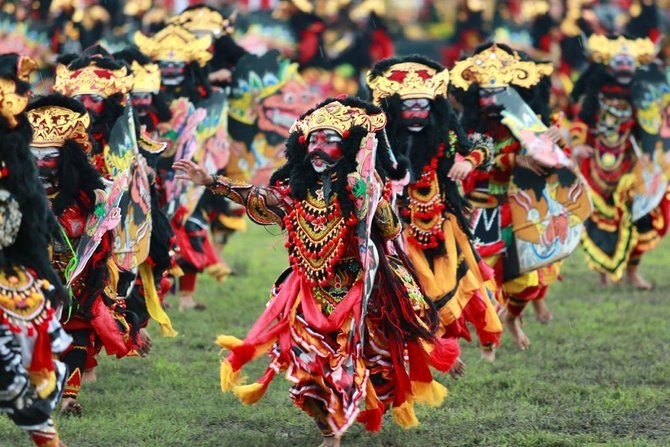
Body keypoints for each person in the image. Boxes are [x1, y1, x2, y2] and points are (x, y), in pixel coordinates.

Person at [174, 97, 458, 447]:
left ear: (349, 147)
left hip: (361, 293)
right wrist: (212, 182)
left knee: (372, 365)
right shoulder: (297, 191)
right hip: (308, 293)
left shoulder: (361, 187)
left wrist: (371, 198)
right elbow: (265, 200)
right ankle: (329, 432)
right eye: (314, 141)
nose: (319, 149)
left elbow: (390, 231)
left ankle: (354, 412)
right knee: (307, 367)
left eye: (331, 141)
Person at [367, 55, 502, 364]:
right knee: (417, 288)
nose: (417, 113)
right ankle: (435, 349)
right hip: (396, 229)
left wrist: (468, 162)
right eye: (409, 106)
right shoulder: (378, 137)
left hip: (442, 222)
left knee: (465, 283)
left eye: (423, 105)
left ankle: (483, 344)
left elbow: (482, 145)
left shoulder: (447, 134)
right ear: (394, 108)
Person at [452, 43, 578, 350]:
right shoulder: (465, 127)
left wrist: (562, 137)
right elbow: (472, 169)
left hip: (525, 206)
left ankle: (513, 317)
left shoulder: (532, 119)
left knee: (527, 282)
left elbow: (561, 155)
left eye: (502, 92)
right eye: (486, 92)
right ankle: (490, 330)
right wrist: (513, 161)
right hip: (485, 209)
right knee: (485, 273)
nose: (493, 100)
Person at [0, 53, 71, 447]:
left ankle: (46, 438)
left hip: (11, 268)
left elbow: (27, 217)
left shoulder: (16, 153)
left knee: (21, 369)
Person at [570, 34, 667, 290]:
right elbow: (582, 120)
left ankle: (633, 271)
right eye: (618, 63)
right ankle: (603, 270)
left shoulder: (641, 96)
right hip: (596, 165)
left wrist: (650, 148)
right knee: (600, 221)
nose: (624, 68)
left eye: (629, 63)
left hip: (629, 163)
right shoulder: (596, 93)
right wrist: (579, 145)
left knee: (640, 215)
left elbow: (649, 126)